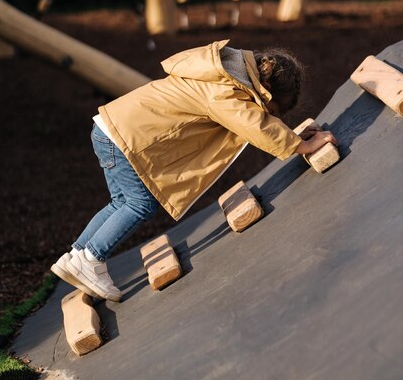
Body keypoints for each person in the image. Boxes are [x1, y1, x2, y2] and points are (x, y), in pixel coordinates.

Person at [51, 39, 337, 301]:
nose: (269, 115)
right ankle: (90, 259)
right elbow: (254, 125)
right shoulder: (225, 91)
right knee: (141, 204)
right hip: (124, 136)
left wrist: (294, 135)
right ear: (265, 91)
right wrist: (302, 146)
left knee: (122, 202)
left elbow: (254, 118)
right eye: (272, 110)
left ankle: (77, 254)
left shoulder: (224, 72)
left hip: (109, 128)